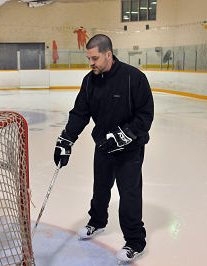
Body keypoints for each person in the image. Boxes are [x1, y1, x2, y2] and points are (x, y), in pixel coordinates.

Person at [53, 34, 154, 263]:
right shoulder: (90, 81)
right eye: (89, 58)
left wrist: (125, 135)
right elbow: (80, 113)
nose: (91, 63)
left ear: (108, 54)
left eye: (95, 58)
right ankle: (97, 222)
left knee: (129, 194)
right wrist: (66, 139)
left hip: (130, 150)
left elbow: (145, 116)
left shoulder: (133, 78)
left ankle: (135, 241)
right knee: (100, 188)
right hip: (104, 146)